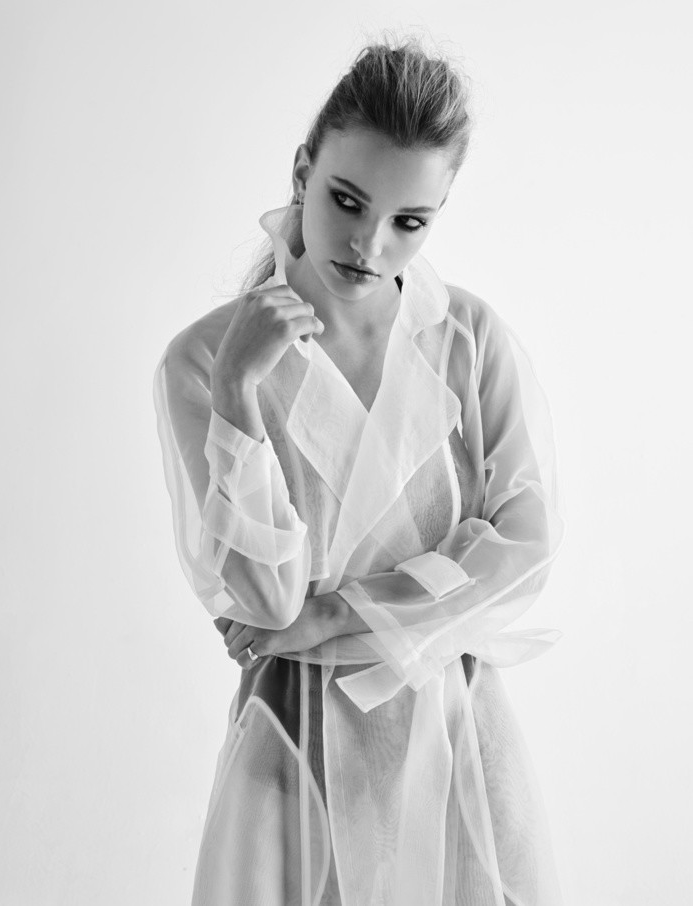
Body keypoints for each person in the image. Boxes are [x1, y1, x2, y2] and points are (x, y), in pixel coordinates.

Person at [152, 34, 567, 906]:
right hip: (294, 757)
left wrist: (332, 615)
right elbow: (266, 605)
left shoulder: (468, 340)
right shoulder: (203, 363)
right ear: (302, 172)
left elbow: (524, 551)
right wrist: (237, 394)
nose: (369, 244)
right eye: (347, 201)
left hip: (458, 747)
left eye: (409, 222)